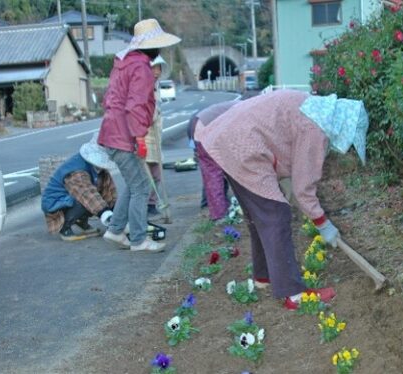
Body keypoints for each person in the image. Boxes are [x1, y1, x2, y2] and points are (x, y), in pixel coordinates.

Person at [195, 89, 369, 310]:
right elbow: (303, 188)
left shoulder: (312, 107)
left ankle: (264, 276)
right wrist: (323, 224)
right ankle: (293, 293)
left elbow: (286, 152)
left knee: (261, 214)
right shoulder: (315, 127)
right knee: (276, 214)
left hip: (231, 140)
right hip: (243, 146)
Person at [97, 19, 180, 252]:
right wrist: (140, 137)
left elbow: (110, 100)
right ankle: (138, 239)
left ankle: (115, 230)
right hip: (124, 136)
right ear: (151, 47)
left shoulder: (123, 64)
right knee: (142, 187)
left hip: (112, 133)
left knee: (134, 185)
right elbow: (136, 106)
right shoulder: (141, 69)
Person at [41, 135, 117, 242]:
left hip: (69, 199)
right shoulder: (77, 170)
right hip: (55, 204)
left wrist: (116, 215)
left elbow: (109, 192)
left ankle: (81, 221)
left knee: (96, 196)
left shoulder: (100, 170)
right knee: (86, 199)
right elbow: (86, 193)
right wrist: (106, 214)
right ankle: (65, 228)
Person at [188, 100, 238, 220]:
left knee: (212, 174)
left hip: (198, 128)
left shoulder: (242, 106)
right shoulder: (250, 110)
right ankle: (219, 214)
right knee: (214, 174)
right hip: (205, 132)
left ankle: (216, 208)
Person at [145, 55, 168, 217]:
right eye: (154, 68)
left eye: (159, 68)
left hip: (155, 136)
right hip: (145, 136)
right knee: (147, 174)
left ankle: (152, 203)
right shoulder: (144, 87)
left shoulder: (156, 87)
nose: (157, 72)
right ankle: (146, 204)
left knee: (156, 173)